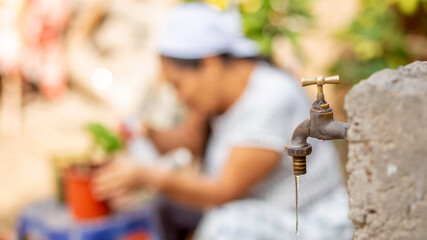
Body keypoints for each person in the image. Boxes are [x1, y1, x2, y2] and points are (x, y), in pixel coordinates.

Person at [93, 2, 354, 240]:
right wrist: (147, 133)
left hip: (310, 223)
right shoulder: (219, 96)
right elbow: (190, 141)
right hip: (262, 214)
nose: (178, 96)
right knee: (169, 206)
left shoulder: (270, 99)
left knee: (224, 227)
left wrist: (149, 177)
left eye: (178, 85)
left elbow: (223, 191)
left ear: (209, 64)